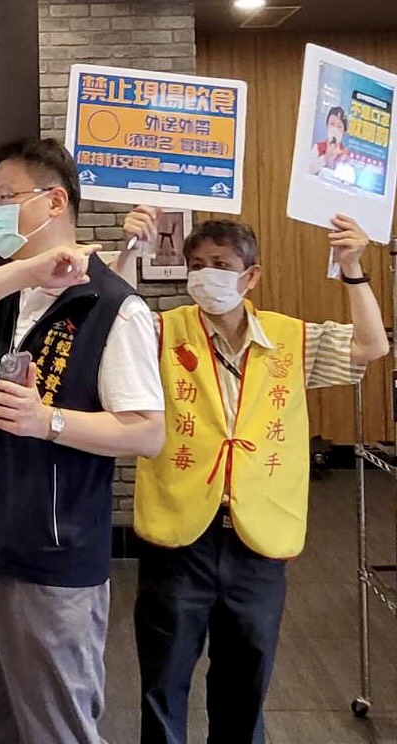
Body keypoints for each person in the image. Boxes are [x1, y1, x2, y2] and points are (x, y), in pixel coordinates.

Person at [0, 137, 166, 744]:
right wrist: (23, 270)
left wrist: (47, 420)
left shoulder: (112, 306)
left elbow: (147, 431)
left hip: (48, 566)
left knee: (56, 730)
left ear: (54, 202)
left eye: (6, 197)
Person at [113, 215, 389, 743]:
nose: (207, 275)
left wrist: (353, 269)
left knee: (246, 679)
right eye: (197, 266)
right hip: (180, 535)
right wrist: (128, 249)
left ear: (251, 276)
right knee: (163, 679)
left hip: (258, 539)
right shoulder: (164, 331)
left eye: (221, 264)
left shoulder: (289, 338)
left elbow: (370, 346)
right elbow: (113, 325)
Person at [308, 106, 351, 177]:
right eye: (332, 124)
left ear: (344, 131)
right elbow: (308, 170)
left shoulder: (346, 154)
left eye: (339, 126)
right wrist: (326, 157)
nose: (335, 129)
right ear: (327, 125)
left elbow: (348, 178)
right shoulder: (317, 147)